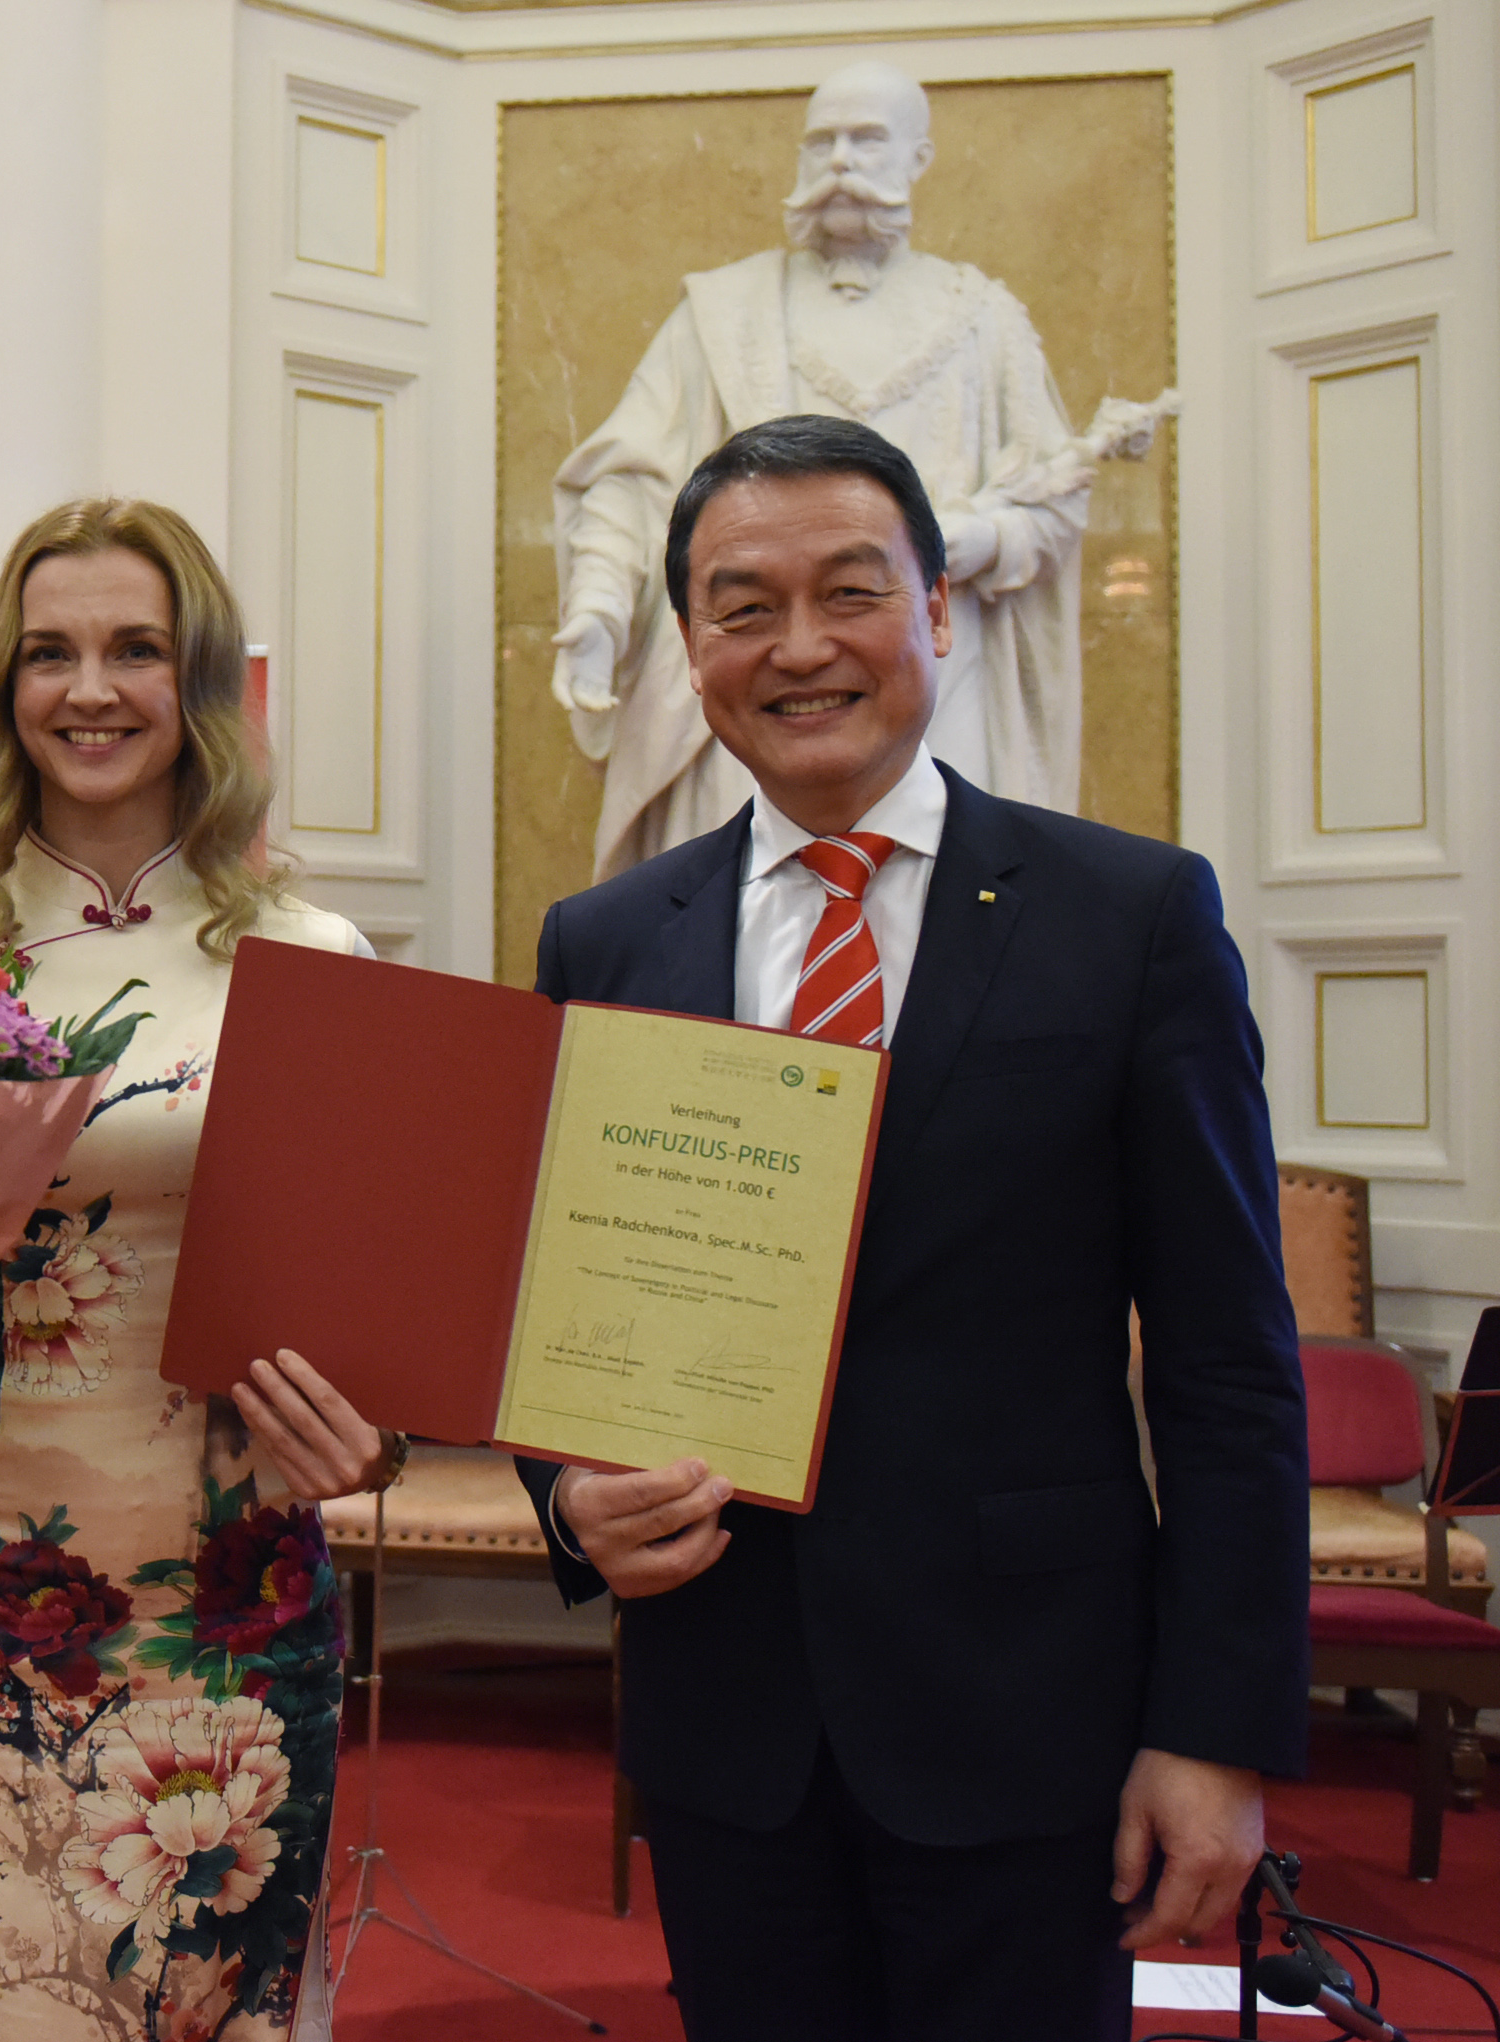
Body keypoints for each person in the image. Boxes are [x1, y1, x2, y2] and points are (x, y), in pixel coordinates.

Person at [518, 414, 1308, 2039]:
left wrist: (1212, 1731)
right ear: (686, 643)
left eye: (848, 591)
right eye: (741, 606)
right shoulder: (605, 940)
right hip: (725, 1716)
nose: (796, 648)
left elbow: (1229, 1368)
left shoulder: (1130, 919)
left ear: (937, 609)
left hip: (1026, 1721)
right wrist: (565, 1496)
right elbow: (551, 1313)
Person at [0, 499, 403, 2039]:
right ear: (6, 685)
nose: (91, 689)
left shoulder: (314, 950)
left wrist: (377, 1425)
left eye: (136, 648)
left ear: (199, 681)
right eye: (50, 652)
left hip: (238, 1596)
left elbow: (375, 1310)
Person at [549, 61, 1160, 881]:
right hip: (754, 690)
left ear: (918, 158)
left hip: (941, 687)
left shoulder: (984, 323)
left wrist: (946, 544)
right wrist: (596, 611)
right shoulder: (723, 313)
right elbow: (632, 481)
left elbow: (1048, 520)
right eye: (822, 141)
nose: (839, 160)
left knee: (957, 941)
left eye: (866, 140)